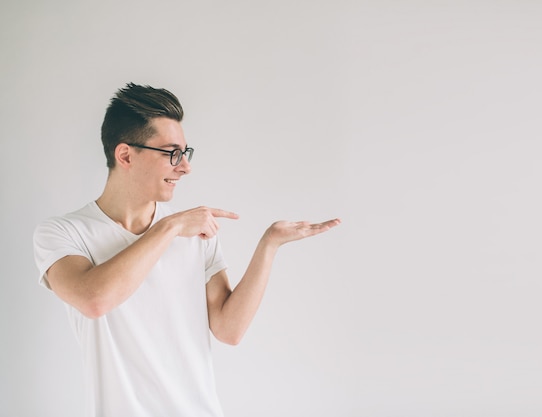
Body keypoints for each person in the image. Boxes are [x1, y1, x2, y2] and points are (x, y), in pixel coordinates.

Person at [32, 82, 340, 417]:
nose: (185, 167)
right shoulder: (63, 233)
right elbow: (94, 300)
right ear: (125, 155)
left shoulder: (197, 232)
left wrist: (269, 245)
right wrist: (171, 226)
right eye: (172, 153)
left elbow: (229, 330)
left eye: (185, 153)